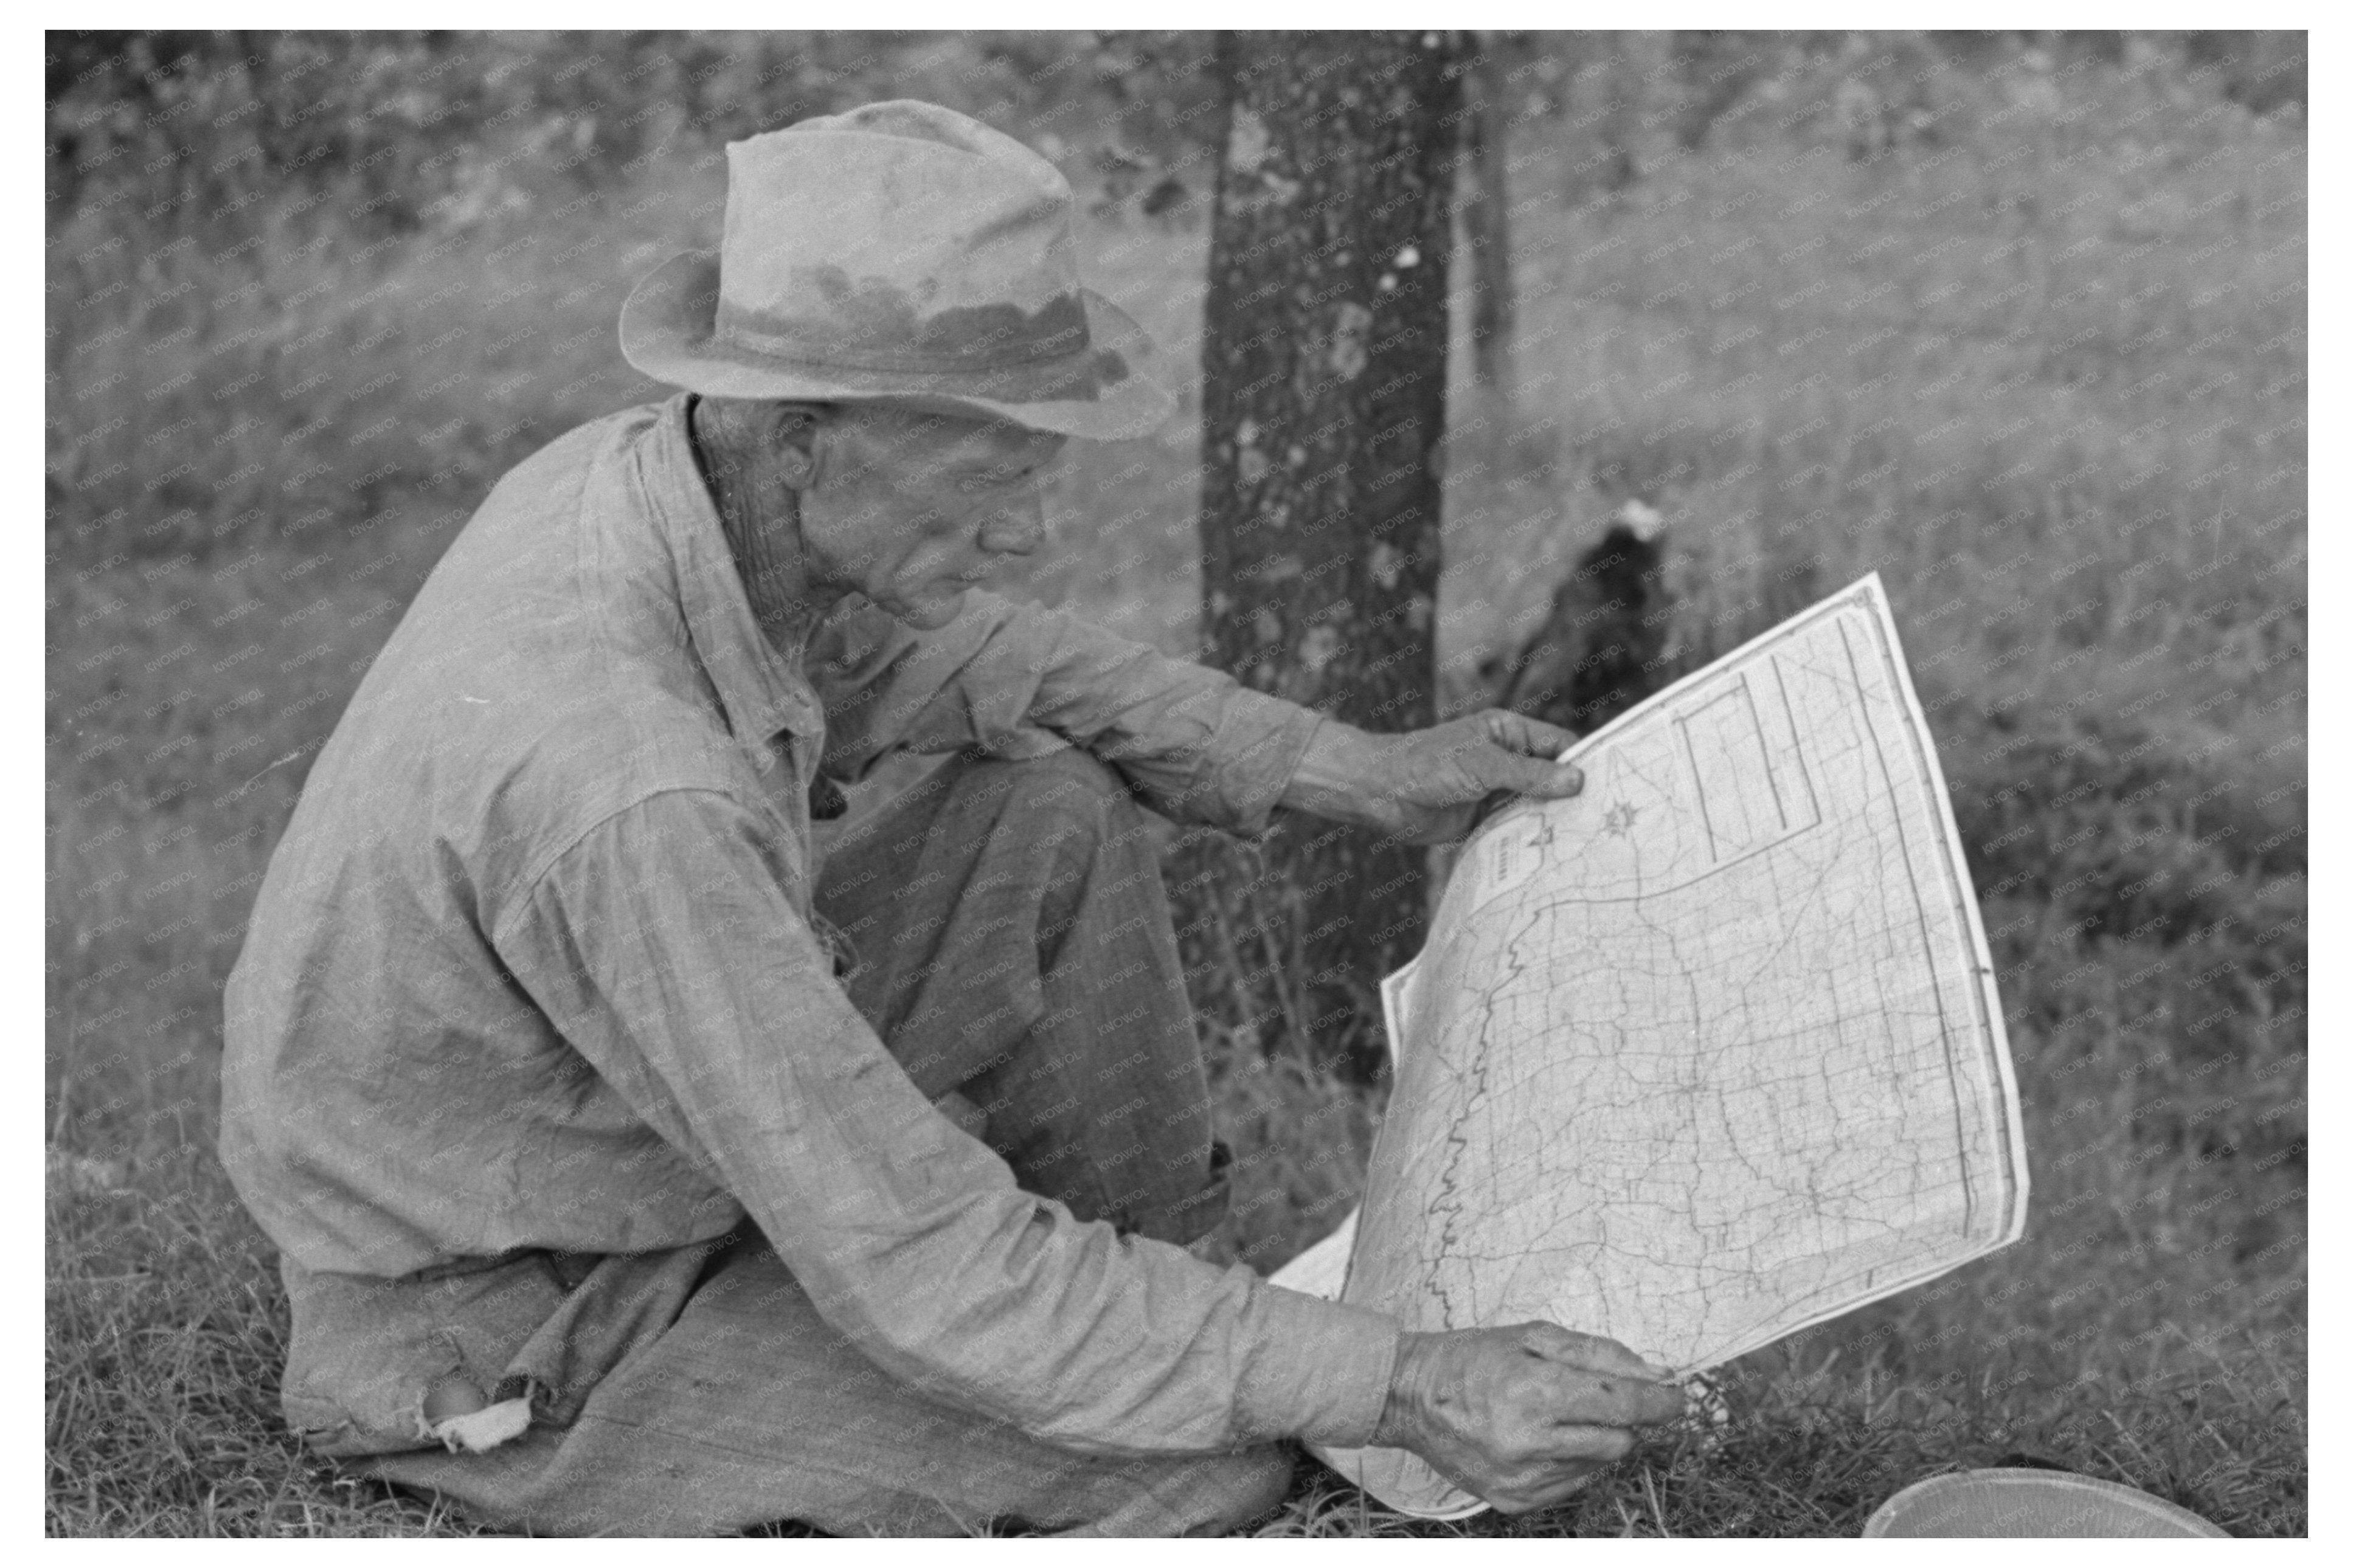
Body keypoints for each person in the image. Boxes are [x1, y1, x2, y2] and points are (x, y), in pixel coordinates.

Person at [218, 100, 1686, 1538]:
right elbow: (910, 1250)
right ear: (801, 438)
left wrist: (1347, 767)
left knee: (1041, 798)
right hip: (516, 1318)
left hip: (629, 1147)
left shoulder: (669, 484)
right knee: (1198, 1461)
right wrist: (1401, 1379)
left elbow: (1010, 661)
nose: (1030, 529)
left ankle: (1140, 1296)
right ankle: (1119, 1330)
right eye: (990, 471)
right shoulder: (625, 779)